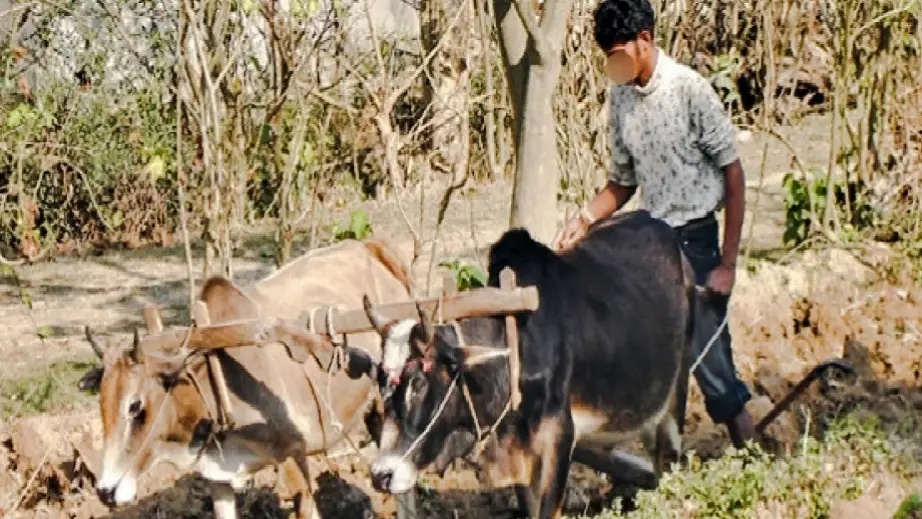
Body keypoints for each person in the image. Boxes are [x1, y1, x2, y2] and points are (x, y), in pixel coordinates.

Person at [554, 0, 758, 448]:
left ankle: (756, 454)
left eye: (620, 53)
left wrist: (727, 264)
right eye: (608, 57)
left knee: (710, 362)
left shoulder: (690, 90)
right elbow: (622, 182)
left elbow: (734, 175)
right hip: (650, 247)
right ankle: (659, 466)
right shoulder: (621, 97)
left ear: (645, 40)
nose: (615, 65)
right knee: (650, 357)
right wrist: (584, 219)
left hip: (697, 241)